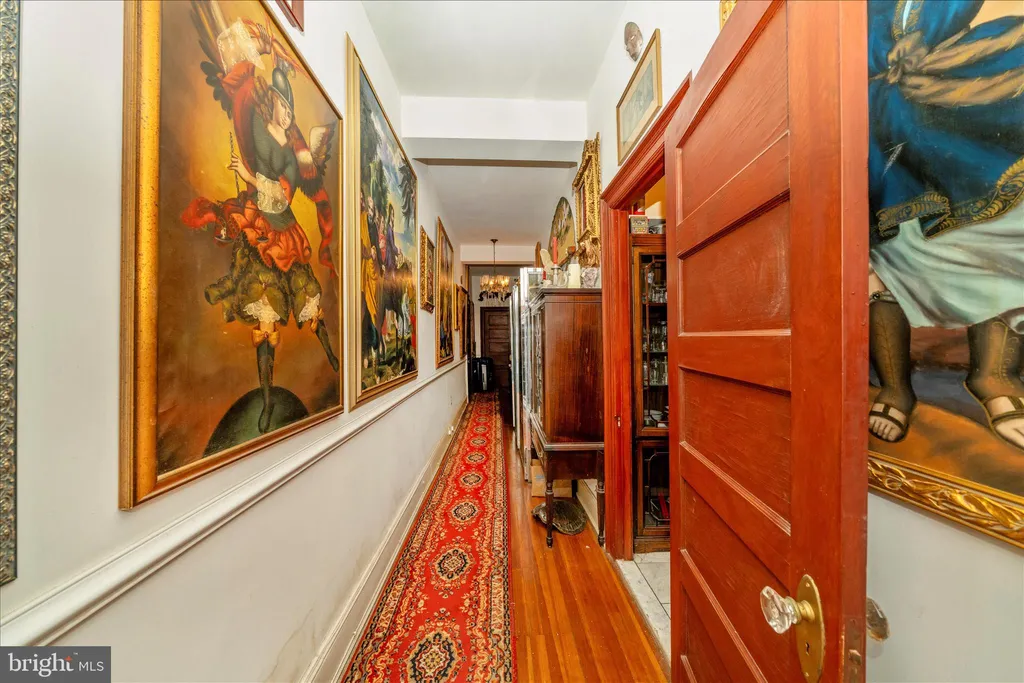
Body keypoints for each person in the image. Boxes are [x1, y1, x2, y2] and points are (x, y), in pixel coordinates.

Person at [867, 0, 1024, 450]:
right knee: (888, 261)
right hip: (887, 122)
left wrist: (926, 41)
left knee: (997, 243)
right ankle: (895, 388)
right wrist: (890, 54)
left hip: (963, 94)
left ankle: (994, 377)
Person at [182, 18, 339, 434]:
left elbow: (283, 197)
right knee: (264, 320)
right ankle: (267, 400)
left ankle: (330, 354)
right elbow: (250, 95)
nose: (289, 115)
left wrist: (248, 176)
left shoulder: (290, 154)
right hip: (259, 227)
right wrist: (265, 58)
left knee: (308, 301)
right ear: (275, 105)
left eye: (291, 111)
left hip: (283, 232)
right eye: (285, 107)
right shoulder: (258, 125)